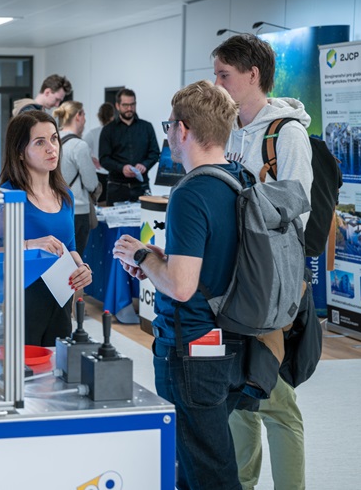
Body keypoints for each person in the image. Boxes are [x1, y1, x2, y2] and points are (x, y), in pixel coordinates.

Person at [112, 80, 248, 490]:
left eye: (169, 125)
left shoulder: (190, 192)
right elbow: (215, 261)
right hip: (234, 339)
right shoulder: (239, 179)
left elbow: (182, 287)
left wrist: (142, 256)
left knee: (207, 471)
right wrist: (159, 260)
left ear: (183, 129)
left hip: (192, 348)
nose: (168, 133)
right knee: (200, 461)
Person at [213, 33, 313, 490]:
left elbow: (297, 211)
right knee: (239, 394)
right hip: (233, 279)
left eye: (224, 75)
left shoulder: (287, 134)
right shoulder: (228, 129)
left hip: (270, 281)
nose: (217, 84)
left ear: (253, 75)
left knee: (276, 397)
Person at [0, 110, 92, 346]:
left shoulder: (65, 195)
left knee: (56, 365)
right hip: (18, 305)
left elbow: (70, 248)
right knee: (23, 367)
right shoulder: (5, 198)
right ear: (20, 152)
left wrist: (82, 267)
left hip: (60, 302)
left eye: (54, 139)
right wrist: (28, 245)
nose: (51, 148)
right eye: (40, 142)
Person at [53, 101, 100, 257]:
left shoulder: (52, 141)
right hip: (77, 210)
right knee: (74, 260)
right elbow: (91, 183)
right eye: (84, 114)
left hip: (54, 208)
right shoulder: (79, 146)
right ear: (78, 116)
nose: (85, 119)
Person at [99, 88, 160, 205]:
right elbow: (104, 159)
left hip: (141, 187)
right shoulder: (108, 130)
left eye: (132, 104)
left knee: (145, 217)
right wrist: (121, 168)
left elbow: (155, 153)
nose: (129, 108)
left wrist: (145, 165)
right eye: (125, 105)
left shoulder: (146, 127)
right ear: (117, 106)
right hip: (116, 188)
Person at [82, 102, 115, 202]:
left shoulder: (93, 133)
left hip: (99, 174)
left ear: (99, 116)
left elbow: (81, 148)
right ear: (113, 116)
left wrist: (91, 159)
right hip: (114, 174)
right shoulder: (117, 132)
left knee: (99, 204)